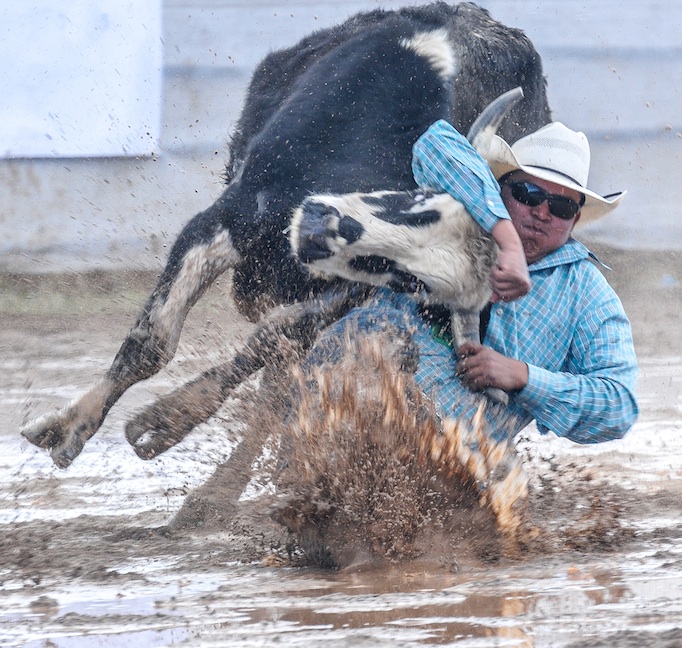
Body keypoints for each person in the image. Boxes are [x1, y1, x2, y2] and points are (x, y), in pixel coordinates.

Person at [304, 120, 639, 444]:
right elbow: (432, 144)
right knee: (375, 335)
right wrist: (506, 239)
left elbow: (619, 406)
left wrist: (522, 376)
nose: (541, 212)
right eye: (528, 193)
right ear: (500, 190)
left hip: (461, 451)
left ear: (574, 219)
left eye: (561, 206)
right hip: (353, 393)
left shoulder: (587, 293)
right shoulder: (454, 215)